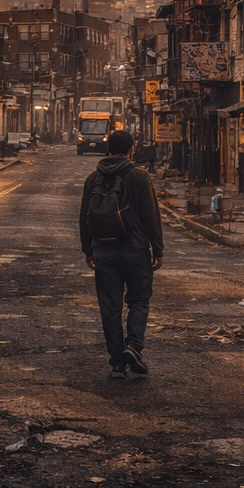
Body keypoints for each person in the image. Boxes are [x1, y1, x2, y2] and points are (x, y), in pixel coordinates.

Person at [79, 129, 164, 378]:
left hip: (104, 251)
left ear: (108, 148)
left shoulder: (93, 178)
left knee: (110, 307)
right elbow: (150, 216)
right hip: (136, 249)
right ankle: (133, 347)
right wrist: (157, 249)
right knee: (139, 300)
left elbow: (84, 217)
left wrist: (88, 250)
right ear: (131, 149)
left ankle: (117, 362)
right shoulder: (140, 177)